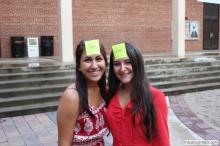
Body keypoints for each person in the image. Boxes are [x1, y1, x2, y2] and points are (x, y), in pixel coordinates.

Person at [105, 42, 170, 146]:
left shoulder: (155, 96)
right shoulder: (110, 93)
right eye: (117, 64)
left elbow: (162, 141)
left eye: (128, 62)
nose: (122, 68)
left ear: (137, 63)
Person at [57, 39, 109, 146]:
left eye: (99, 59)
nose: (94, 66)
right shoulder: (72, 97)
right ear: (79, 66)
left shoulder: (105, 91)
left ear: (105, 63)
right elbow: (64, 143)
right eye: (87, 60)